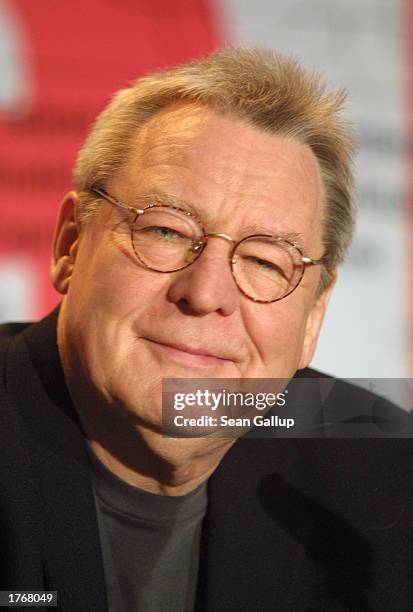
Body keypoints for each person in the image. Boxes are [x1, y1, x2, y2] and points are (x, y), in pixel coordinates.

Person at [0, 47, 412, 612]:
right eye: (166, 231)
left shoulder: (388, 480)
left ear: (314, 315)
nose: (206, 293)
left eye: (267, 262)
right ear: (71, 245)